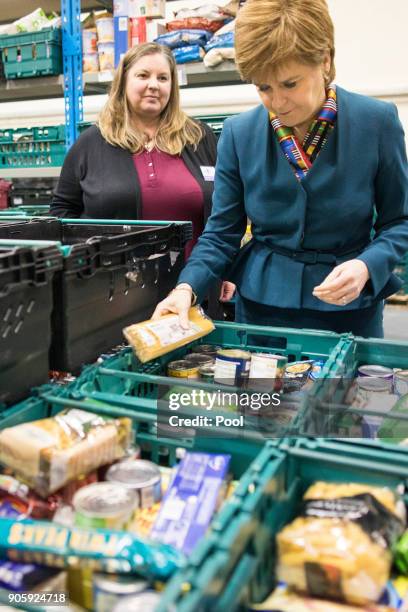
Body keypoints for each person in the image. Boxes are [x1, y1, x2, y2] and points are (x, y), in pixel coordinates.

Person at [153, 0, 408, 338]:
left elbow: (399, 221)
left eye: (290, 84)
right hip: (262, 310)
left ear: (326, 60)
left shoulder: (376, 122)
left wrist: (367, 265)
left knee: (344, 392)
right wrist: (186, 288)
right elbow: (222, 233)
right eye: (263, 87)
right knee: (262, 392)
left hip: (350, 309)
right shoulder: (238, 133)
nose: (277, 102)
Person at [51, 42, 231, 317]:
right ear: (124, 81)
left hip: (194, 290)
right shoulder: (91, 144)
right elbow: (61, 215)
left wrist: (228, 269)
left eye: (163, 78)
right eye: (143, 75)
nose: (154, 85)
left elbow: (225, 212)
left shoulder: (199, 137)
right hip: (113, 296)